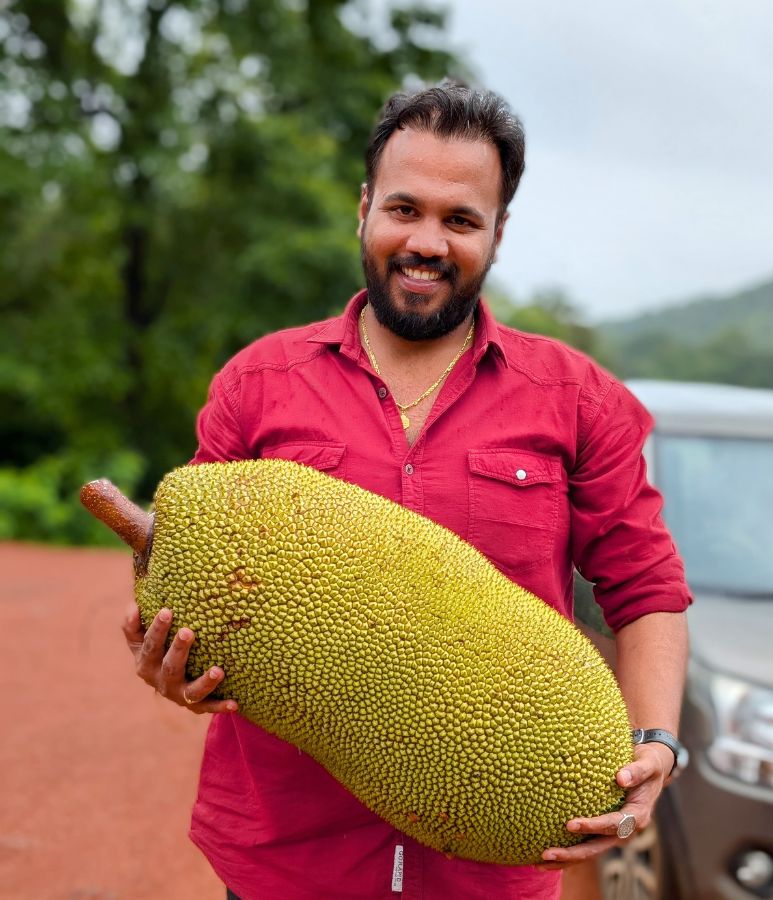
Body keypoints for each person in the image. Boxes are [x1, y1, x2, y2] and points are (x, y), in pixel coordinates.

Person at [119, 82, 692, 899]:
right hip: (288, 860)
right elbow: (196, 576)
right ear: (364, 210)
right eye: (404, 209)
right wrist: (173, 659)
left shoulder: (575, 399)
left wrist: (657, 739)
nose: (426, 242)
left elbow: (646, 586)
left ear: (498, 233)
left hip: (489, 864)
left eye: (460, 219)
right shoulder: (258, 383)